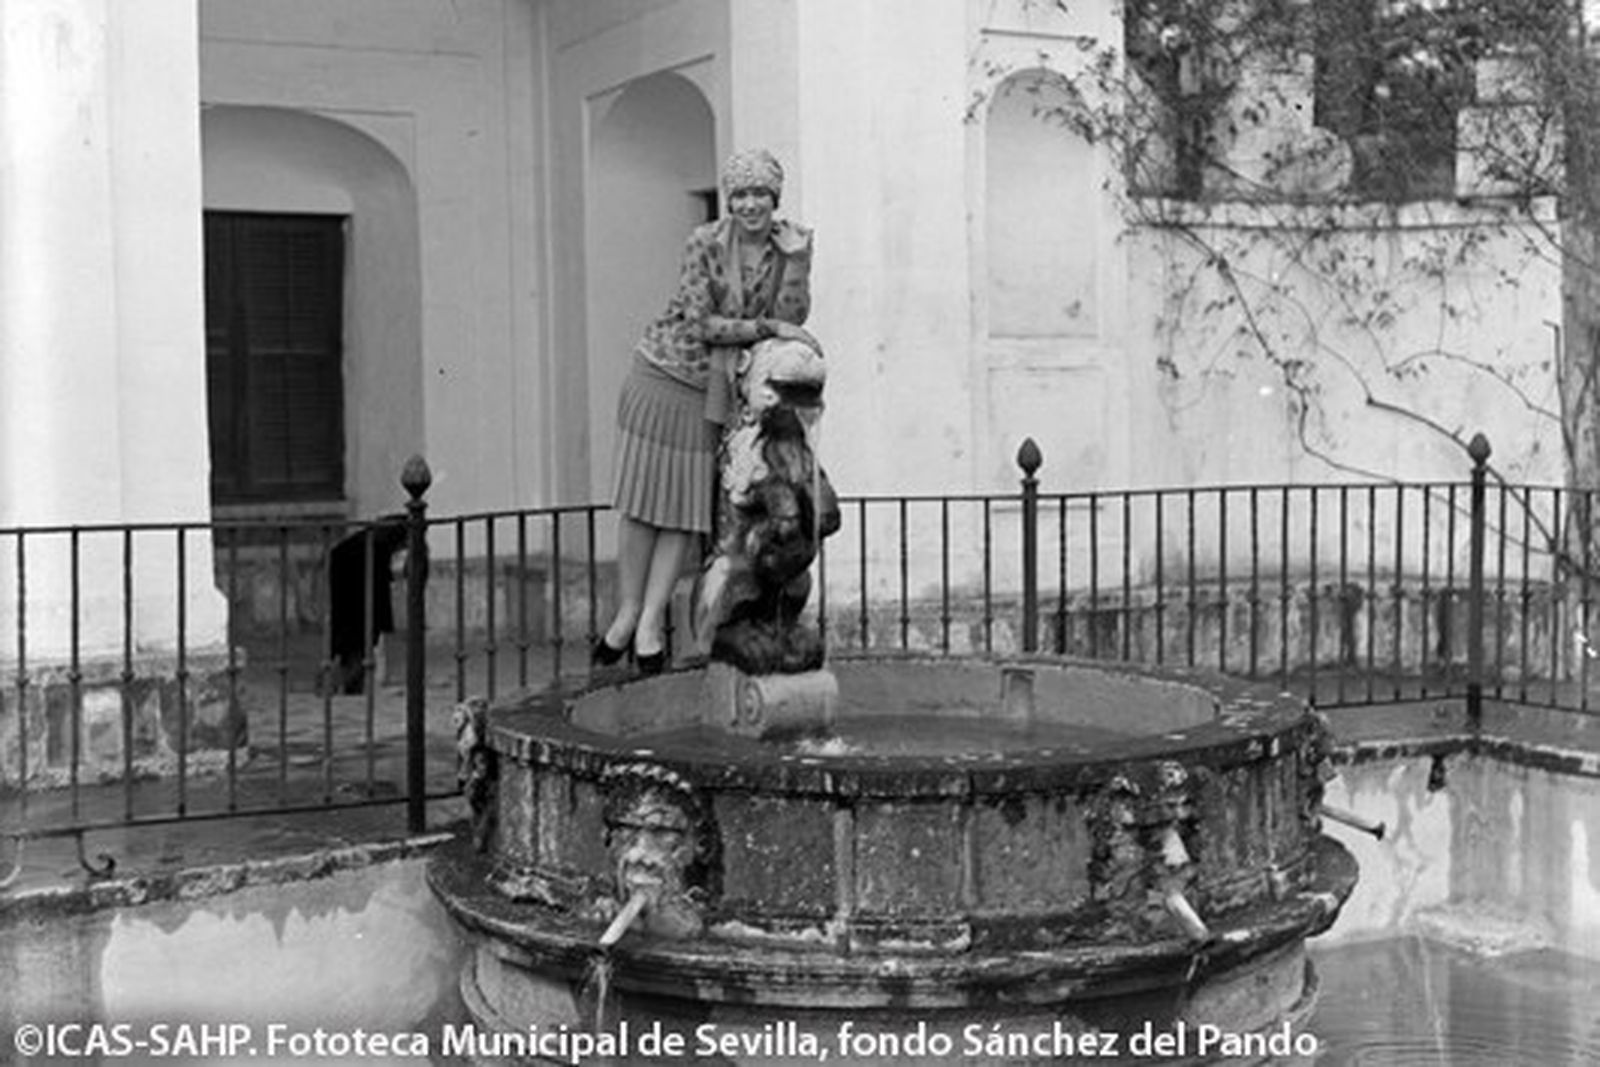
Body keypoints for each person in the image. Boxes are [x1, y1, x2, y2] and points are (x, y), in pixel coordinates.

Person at [597, 148, 817, 674]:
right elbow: (702, 324)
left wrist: (797, 263)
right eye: (739, 194)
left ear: (774, 198)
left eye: (759, 193)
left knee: (680, 513)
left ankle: (651, 621)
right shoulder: (705, 243)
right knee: (641, 506)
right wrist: (764, 329)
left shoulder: (785, 250)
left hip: (712, 394)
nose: (748, 204)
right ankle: (626, 613)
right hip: (663, 373)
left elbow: (794, 316)